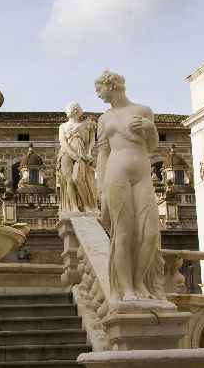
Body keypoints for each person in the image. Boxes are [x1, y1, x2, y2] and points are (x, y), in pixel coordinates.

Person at [94, 71, 167, 303]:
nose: (98, 94)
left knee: (150, 233)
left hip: (142, 172)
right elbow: (103, 154)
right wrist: (101, 188)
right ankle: (126, 288)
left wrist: (150, 128)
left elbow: (152, 147)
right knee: (123, 232)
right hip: (116, 172)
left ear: (111, 85)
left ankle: (139, 282)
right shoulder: (104, 119)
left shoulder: (143, 111)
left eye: (99, 88)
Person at [57, 102, 97, 214]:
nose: (66, 111)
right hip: (66, 153)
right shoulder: (63, 126)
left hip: (81, 153)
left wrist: (89, 152)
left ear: (75, 110)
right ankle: (74, 207)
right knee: (69, 180)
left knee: (78, 179)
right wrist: (72, 154)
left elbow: (92, 141)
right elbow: (63, 142)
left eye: (68, 109)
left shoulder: (87, 125)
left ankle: (87, 205)